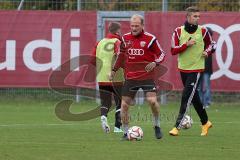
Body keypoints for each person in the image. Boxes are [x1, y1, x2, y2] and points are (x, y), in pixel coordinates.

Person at [110, 14, 166, 140]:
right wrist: (114, 70)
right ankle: (125, 133)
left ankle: (157, 125)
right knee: (124, 105)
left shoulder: (150, 39)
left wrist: (155, 62)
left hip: (147, 76)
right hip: (131, 77)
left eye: (136, 26)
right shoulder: (125, 38)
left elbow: (162, 53)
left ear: (142, 26)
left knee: (152, 101)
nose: (134, 28)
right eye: (132, 26)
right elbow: (120, 56)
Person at [169, 7, 214, 136]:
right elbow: (173, 50)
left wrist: (207, 51)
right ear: (188, 17)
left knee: (186, 96)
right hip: (183, 68)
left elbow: (212, 44)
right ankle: (205, 122)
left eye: (198, 16)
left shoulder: (203, 31)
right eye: (195, 16)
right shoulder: (178, 31)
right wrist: (186, 45)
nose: (198, 18)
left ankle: (176, 126)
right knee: (194, 98)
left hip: (197, 69)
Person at [91, 22, 124, 133]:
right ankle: (117, 127)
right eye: (120, 30)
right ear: (117, 31)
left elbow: (92, 60)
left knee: (105, 102)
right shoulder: (117, 42)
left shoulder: (99, 42)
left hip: (102, 76)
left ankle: (103, 116)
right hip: (116, 77)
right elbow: (120, 57)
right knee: (119, 101)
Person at [198, 27, 216, 108]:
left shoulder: (211, 43)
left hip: (207, 68)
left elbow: (213, 48)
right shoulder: (199, 42)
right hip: (199, 67)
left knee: (206, 86)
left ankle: (207, 102)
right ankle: (200, 102)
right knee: (199, 86)